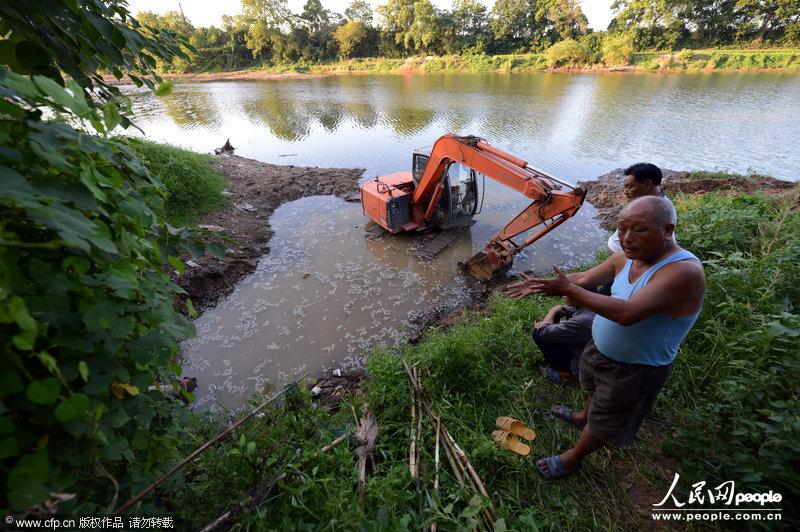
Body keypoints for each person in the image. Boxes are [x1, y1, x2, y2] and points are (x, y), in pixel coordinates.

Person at [505, 196, 705, 479]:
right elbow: (584, 278)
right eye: (622, 229)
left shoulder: (683, 272)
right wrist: (545, 284)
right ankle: (581, 416)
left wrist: (570, 292)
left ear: (668, 230)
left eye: (639, 230)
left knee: (604, 422)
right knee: (593, 392)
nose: (627, 238)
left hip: (634, 369)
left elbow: (627, 313)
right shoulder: (624, 258)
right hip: (599, 350)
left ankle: (573, 458)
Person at [532, 287, 609, 384]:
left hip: (584, 366)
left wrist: (553, 310)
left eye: (568, 293)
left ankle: (566, 374)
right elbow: (573, 310)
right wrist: (562, 309)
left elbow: (543, 331)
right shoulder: (599, 305)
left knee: (537, 334)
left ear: (581, 295)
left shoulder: (582, 321)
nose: (564, 296)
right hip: (597, 357)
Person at [608, 163, 676, 253]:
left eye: (629, 186)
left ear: (647, 184)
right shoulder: (646, 204)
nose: (625, 192)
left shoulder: (658, 211)